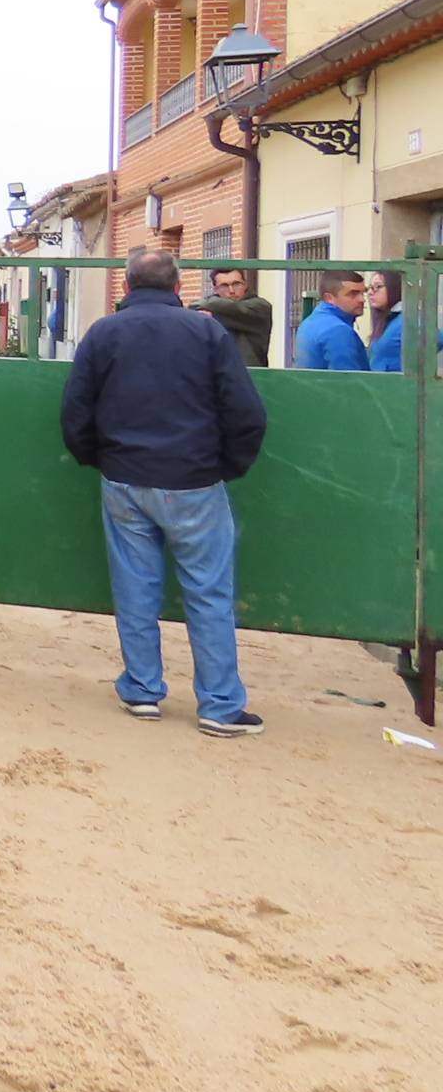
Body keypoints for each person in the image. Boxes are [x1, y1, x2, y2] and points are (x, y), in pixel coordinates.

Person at [61, 248, 269, 736]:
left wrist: (100, 458)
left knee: (135, 587)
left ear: (127, 286)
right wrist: (227, 466)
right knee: (209, 592)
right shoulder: (207, 332)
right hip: (194, 479)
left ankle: (142, 690)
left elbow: (75, 411)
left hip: (124, 478)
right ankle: (219, 705)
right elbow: (245, 411)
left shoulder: (103, 333)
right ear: (178, 286)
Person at [193, 267, 273, 368]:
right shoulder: (213, 308)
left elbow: (235, 309)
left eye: (236, 284)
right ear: (215, 289)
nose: (231, 290)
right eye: (224, 286)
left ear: (245, 285)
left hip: (252, 376)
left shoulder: (259, 307)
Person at [293, 270, 370, 370]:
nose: (362, 299)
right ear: (329, 298)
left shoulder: (310, 322)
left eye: (363, 293)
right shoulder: (338, 330)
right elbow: (349, 379)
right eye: (353, 294)